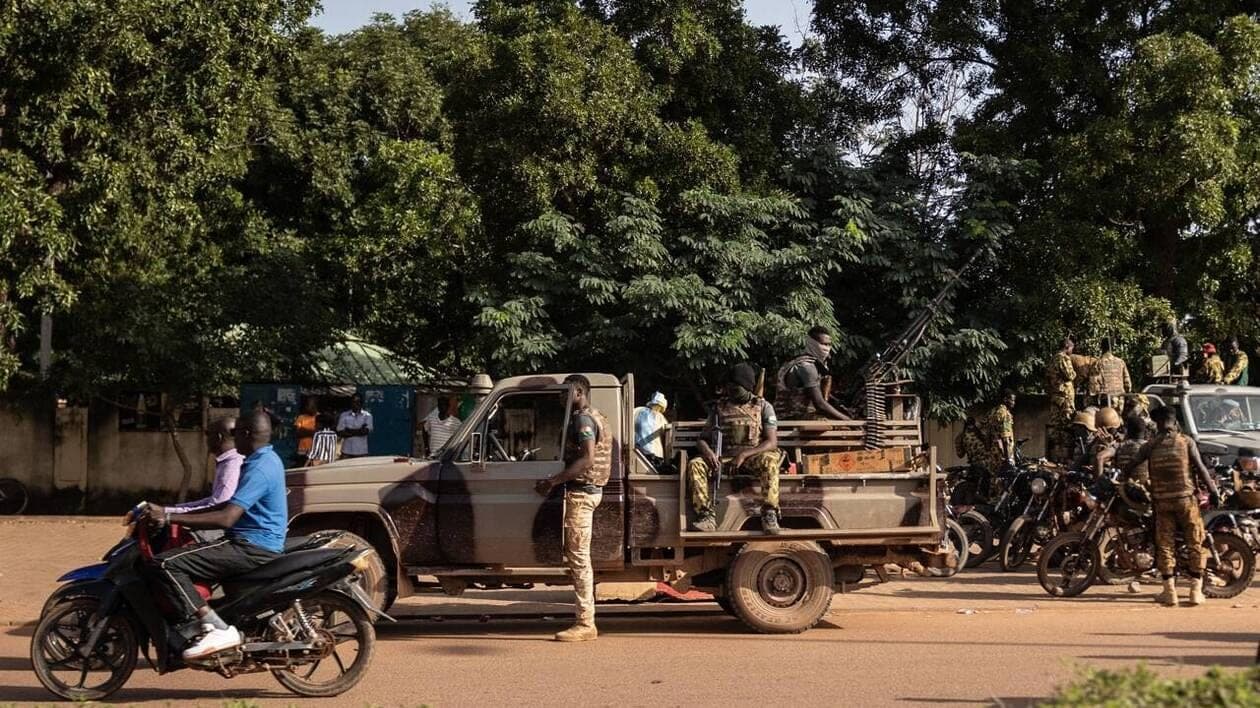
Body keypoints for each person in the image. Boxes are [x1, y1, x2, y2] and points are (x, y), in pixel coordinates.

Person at [141, 411, 287, 658]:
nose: (232, 438)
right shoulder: (261, 459)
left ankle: (217, 627)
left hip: (252, 545)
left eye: (236, 432)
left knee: (164, 563)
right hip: (249, 540)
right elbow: (222, 505)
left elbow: (227, 517)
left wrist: (168, 517)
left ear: (246, 434)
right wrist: (170, 513)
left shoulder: (259, 468)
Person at [533, 375, 610, 642]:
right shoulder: (598, 415)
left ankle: (586, 623)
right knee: (579, 558)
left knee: (579, 559)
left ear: (577, 391)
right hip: (589, 492)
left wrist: (553, 481)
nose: (560, 396)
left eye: (565, 391)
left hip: (582, 494)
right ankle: (586, 619)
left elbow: (588, 459)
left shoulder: (583, 419)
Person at [1124, 406, 1221, 607]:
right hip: (1186, 500)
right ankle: (1195, 590)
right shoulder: (1186, 442)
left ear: (1157, 424)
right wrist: (1213, 492)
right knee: (1195, 541)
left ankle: (1170, 592)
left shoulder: (1151, 445)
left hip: (1162, 502)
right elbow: (1201, 469)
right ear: (1174, 422)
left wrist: (1124, 479)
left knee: (1165, 544)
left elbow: (1130, 465)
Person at [688, 363, 782, 534]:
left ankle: (769, 513)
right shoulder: (719, 408)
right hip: (723, 459)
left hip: (753, 457)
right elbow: (702, 439)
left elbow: (771, 442)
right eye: (729, 387)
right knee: (695, 464)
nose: (731, 391)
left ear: (747, 387)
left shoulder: (763, 407)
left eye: (735, 388)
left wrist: (745, 455)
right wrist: (708, 452)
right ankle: (706, 516)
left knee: (770, 461)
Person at [164, 417, 242, 518]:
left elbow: (217, 507)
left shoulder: (232, 465)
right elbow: (212, 500)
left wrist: (169, 515)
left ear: (218, 437)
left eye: (208, 434)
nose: (206, 439)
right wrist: (170, 509)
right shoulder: (227, 461)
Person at [775, 326, 849, 420]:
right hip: (790, 418)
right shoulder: (806, 366)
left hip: (801, 417)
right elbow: (820, 404)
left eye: (829, 345)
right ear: (812, 344)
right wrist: (848, 421)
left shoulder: (811, 364)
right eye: (823, 344)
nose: (827, 348)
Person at [1045, 337, 1077, 463]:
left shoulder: (1052, 358)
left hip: (1055, 397)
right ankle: (1065, 458)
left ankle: (1055, 457)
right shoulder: (1063, 358)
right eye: (1071, 348)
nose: (1072, 351)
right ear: (1067, 347)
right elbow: (1070, 375)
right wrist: (1075, 372)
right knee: (1066, 427)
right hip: (1065, 397)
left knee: (1056, 427)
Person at [1096, 415, 1150, 488]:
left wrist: (1100, 482)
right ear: (1144, 431)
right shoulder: (1150, 447)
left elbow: (1099, 457)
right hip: (1145, 489)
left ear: (1128, 431)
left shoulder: (1120, 446)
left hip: (1124, 491)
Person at [979, 390, 1017, 472]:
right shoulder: (1005, 414)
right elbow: (1005, 438)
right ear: (1005, 399)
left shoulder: (993, 412)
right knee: (1005, 480)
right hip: (1002, 455)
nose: (1014, 402)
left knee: (994, 478)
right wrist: (1008, 460)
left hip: (992, 453)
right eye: (1012, 400)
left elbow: (983, 430)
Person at [633, 392, 671, 469]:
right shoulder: (660, 417)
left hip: (637, 452)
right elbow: (667, 432)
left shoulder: (637, 410)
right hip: (653, 455)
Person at [1095, 338, 1131, 407]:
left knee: (1107, 417)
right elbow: (1128, 384)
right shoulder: (1121, 362)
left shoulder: (1098, 363)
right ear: (1113, 347)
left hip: (1105, 399)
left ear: (1101, 347)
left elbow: (1094, 386)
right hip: (1120, 398)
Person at [337, 394, 373, 459]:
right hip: (346, 451)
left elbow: (365, 432)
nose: (355, 404)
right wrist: (359, 430)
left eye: (358, 401)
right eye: (353, 401)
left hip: (361, 452)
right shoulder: (344, 415)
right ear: (351, 403)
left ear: (361, 403)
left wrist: (349, 430)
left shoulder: (367, 416)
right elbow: (340, 432)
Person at [293, 397, 319, 468]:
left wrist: (304, 430)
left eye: (311, 405)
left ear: (316, 406)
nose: (309, 407)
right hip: (302, 449)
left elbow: (319, 433)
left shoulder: (320, 417)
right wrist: (312, 432)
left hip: (316, 449)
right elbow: (298, 433)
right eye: (308, 405)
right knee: (301, 468)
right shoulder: (301, 417)